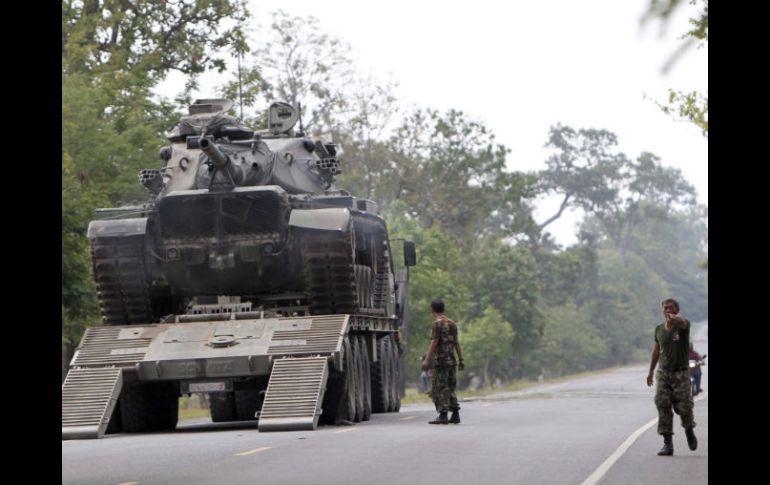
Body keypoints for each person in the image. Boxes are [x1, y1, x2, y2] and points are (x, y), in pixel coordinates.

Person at [646, 298, 698, 456]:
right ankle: (667, 444)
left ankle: (689, 430)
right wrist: (650, 371)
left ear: (676, 310)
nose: (667, 310)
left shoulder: (683, 326)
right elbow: (656, 351)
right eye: (665, 307)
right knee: (662, 403)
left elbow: (683, 322)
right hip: (663, 372)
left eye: (671, 308)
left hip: (681, 373)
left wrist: (676, 319)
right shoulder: (659, 329)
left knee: (684, 407)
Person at [422, 299, 464, 424]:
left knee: (439, 388)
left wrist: (426, 360)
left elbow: (434, 343)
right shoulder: (452, 323)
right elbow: (456, 342)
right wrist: (461, 359)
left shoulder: (437, 324)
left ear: (432, 310)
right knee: (450, 387)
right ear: (443, 309)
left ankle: (443, 414)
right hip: (452, 361)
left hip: (441, 362)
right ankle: (455, 414)